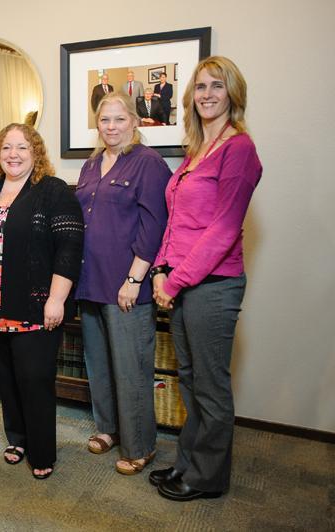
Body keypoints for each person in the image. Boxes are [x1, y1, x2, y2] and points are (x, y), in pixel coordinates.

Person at [150, 56, 262, 501]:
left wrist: (174, 283)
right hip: (181, 280)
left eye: (217, 85)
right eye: (200, 86)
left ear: (233, 94)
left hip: (213, 285)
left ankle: (207, 477)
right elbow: (176, 222)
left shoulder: (239, 149)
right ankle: (188, 463)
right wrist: (161, 269)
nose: (208, 94)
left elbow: (223, 229)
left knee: (210, 387)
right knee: (191, 381)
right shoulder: (196, 150)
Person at [0, 123, 84, 480]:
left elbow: (70, 249)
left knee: (34, 379)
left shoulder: (52, 191)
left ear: (36, 153)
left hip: (34, 307)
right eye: (7, 148)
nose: (13, 154)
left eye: (22, 148)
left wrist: (56, 299)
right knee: (6, 378)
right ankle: (17, 438)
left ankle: (41, 451)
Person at [75, 92, 171, 475]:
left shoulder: (149, 163)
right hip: (90, 281)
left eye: (119, 119)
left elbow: (155, 226)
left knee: (132, 368)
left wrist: (134, 278)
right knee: (98, 364)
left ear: (134, 121)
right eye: (104, 120)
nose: (111, 127)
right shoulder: (91, 164)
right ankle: (109, 429)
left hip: (126, 285)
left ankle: (140, 445)